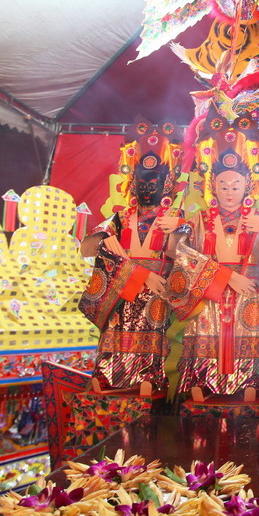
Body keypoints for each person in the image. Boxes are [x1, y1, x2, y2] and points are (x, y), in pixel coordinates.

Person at [163, 116, 259, 396]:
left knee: (247, 335)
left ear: (247, 186)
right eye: (223, 186)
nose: (229, 192)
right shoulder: (199, 219)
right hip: (210, 294)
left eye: (235, 186)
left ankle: (250, 384)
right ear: (212, 185)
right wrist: (226, 276)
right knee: (205, 332)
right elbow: (180, 253)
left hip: (249, 293)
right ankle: (201, 383)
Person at [78, 124, 179, 392]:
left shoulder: (173, 218)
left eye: (153, 184)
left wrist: (180, 226)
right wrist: (108, 242)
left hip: (157, 291)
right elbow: (90, 247)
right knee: (116, 329)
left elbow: (183, 252)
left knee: (152, 329)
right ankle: (107, 376)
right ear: (132, 183)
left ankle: (149, 377)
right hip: (123, 288)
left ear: (167, 185)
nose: (146, 190)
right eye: (141, 183)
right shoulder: (121, 217)